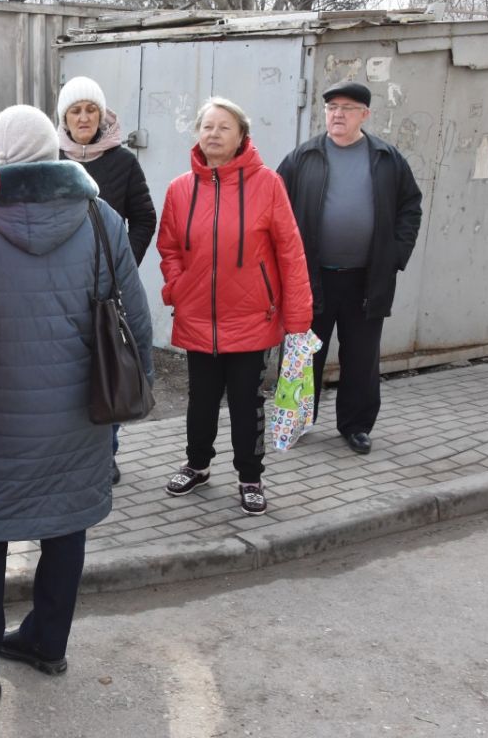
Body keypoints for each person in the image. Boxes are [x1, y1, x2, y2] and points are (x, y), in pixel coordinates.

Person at [0, 106, 153, 701]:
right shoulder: (99, 216)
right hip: (82, 411)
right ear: (53, 152)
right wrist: (145, 387)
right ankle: (47, 644)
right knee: (67, 524)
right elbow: (133, 316)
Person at [157, 97, 312, 515]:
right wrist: (176, 285)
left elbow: (290, 254)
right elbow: (169, 247)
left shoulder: (268, 184)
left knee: (246, 402)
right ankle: (197, 465)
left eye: (224, 127)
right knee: (200, 399)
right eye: (207, 126)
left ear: (242, 135)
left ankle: (250, 476)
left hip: (250, 318)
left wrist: (298, 319)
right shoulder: (179, 189)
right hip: (197, 318)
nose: (214, 134)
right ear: (197, 134)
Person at [277, 81, 423, 455]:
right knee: (304, 352)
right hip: (312, 277)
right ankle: (295, 422)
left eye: (347, 107)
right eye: (331, 107)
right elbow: (274, 208)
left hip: (366, 278)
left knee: (361, 357)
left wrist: (395, 255)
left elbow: (410, 207)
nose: (338, 114)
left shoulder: (386, 158)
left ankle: (356, 426)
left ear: (365, 115)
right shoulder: (303, 157)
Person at [57, 75, 157, 484]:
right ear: (63, 117)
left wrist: (122, 266)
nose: (84, 117)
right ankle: (68, 452)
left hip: (108, 293)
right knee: (68, 374)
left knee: (108, 368)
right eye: (76, 110)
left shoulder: (123, 161)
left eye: (91, 110)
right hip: (62, 287)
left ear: (102, 115)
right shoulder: (54, 160)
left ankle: (106, 453)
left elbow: (144, 218)